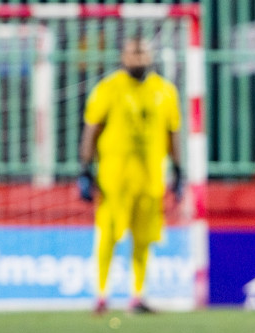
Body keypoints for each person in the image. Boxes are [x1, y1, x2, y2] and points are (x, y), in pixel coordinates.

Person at [78, 37, 182, 315]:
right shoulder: (109, 88)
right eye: (132, 53)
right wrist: (85, 169)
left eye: (142, 53)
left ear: (150, 56)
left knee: (144, 239)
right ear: (123, 56)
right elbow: (91, 129)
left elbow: (172, 133)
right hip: (115, 180)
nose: (137, 59)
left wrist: (179, 170)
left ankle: (138, 295)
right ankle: (101, 294)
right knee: (108, 235)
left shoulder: (165, 90)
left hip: (150, 179)